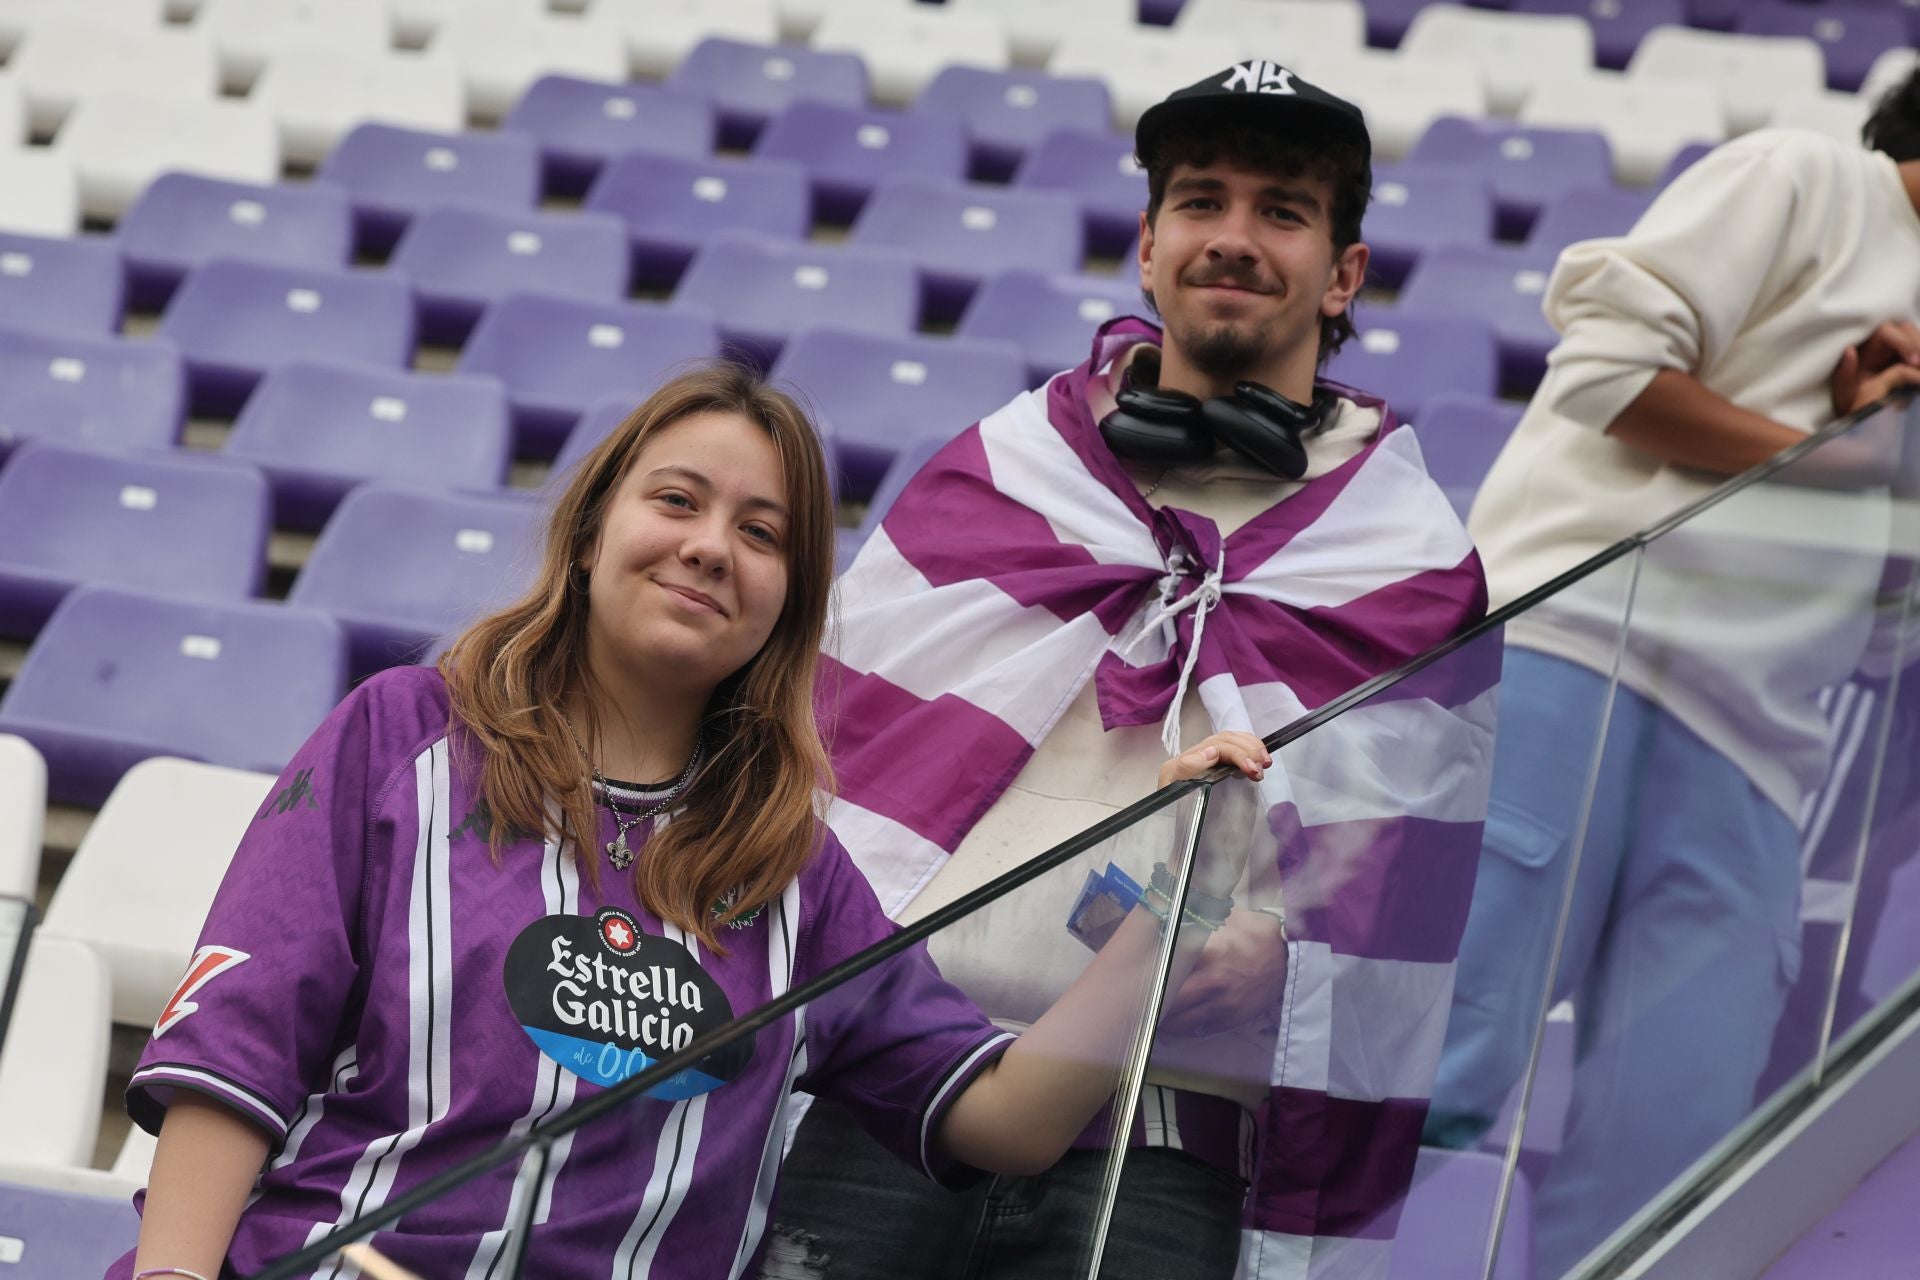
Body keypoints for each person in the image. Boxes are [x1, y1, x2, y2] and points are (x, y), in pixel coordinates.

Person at [109, 364, 1275, 1280]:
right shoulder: (404, 735)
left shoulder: (796, 875)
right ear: (589, 527)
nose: (712, 546)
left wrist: (1177, 895)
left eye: (764, 534)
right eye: (676, 500)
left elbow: (1007, 1119)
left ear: (789, 606)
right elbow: (234, 1055)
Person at [773, 63, 1498, 1280]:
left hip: (1171, 1147)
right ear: (1150, 245)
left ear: (1346, 272)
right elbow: (831, 768)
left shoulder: (1408, 556)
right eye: (1202, 202)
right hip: (898, 1096)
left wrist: (1290, 948)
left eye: (1283, 210)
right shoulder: (1001, 475)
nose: (1235, 238)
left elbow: (1399, 881)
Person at [1430, 68, 1920, 1276]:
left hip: (1761, 739)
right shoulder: (1810, 176)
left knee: (1676, 1159)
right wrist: (1835, 452)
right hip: (1578, 643)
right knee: (1445, 1060)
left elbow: (1882, 632)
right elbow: (1603, 375)